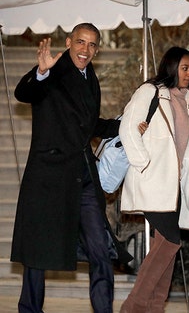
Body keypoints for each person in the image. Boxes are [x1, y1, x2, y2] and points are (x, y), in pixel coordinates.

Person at [11, 23, 132, 313]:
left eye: (91, 45)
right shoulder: (52, 69)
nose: (85, 50)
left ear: (97, 50)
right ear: (68, 42)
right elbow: (23, 93)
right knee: (39, 251)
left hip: (82, 174)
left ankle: (103, 309)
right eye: (80, 42)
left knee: (99, 248)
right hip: (49, 173)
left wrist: (127, 127)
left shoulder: (90, 76)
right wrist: (41, 72)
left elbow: (90, 125)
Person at [118, 46, 189, 313]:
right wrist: (145, 163)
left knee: (165, 244)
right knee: (170, 242)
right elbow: (128, 128)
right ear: (171, 67)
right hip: (153, 180)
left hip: (174, 186)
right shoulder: (150, 91)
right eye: (184, 67)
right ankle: (134, 306)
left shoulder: (185, 101)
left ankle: (155, 307)